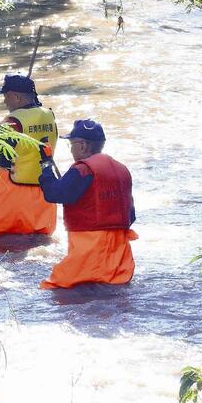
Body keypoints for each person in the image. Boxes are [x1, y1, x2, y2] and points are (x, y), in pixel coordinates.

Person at [37, 119, 137, 289]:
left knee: (54, 289)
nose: (71, 149)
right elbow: (131, 214)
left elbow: (54, 194)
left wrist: (46, 164)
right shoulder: (122, 169)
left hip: (89, 250)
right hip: (120, 255)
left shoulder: (83, 170)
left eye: (72, 144)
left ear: (82, 146)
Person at [0, 74, 57, 238]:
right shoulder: (49, 115)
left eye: (6, 96)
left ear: (16, 97)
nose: (4, 101)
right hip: (45, 194)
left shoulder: (13, 122)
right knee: (40, 239)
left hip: (14, 195)